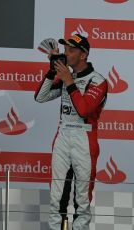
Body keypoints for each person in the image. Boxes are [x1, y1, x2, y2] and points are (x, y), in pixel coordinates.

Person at [34, 34, 108, 230]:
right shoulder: (68, 76)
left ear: (84, 55)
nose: (66, 54)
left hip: (85, 136)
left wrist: (68, 81)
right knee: (57, 194)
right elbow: (40, 97)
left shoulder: (98, 80)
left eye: (71, 50)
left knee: (82, 197)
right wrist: (52, 72)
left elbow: (84, 110)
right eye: (65, 49)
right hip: (63, 134)